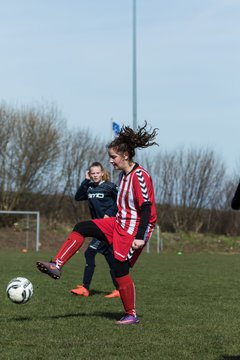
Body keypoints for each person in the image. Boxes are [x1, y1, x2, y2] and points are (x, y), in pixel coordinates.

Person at [37, 121, 158, 325]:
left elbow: (147, 208)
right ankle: (56, 265)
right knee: (82, 227)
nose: (110, 161)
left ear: (125, 155)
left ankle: (131, 314)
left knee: (120, 269)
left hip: (133, 230)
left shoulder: (140, 176)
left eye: (113, 157)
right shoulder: (122, 176)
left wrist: (139, 237)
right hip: (118, 222)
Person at [71, 162, 120, 298]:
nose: (95, 175)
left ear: (102, 172)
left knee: (89, 253)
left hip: (108, 227)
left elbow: (121, 201)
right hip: (98, 228)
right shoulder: (90, 187)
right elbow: (78, 197)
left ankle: (85, 288)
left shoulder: (110, 186)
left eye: (97, 173)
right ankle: (119, 289)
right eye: (93, 173)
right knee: (110, 258)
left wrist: (110, 213)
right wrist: (86, 181)